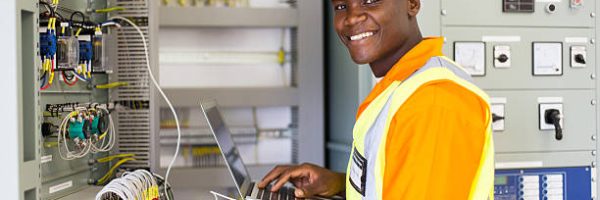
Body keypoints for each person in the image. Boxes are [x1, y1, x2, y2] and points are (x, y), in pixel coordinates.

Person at [259, 0, 494, 199]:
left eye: (370, 0)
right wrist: (341, 185)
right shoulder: (401, 86)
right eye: (341, 6)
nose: (351, 18)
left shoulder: (433, 101)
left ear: (412, 4)